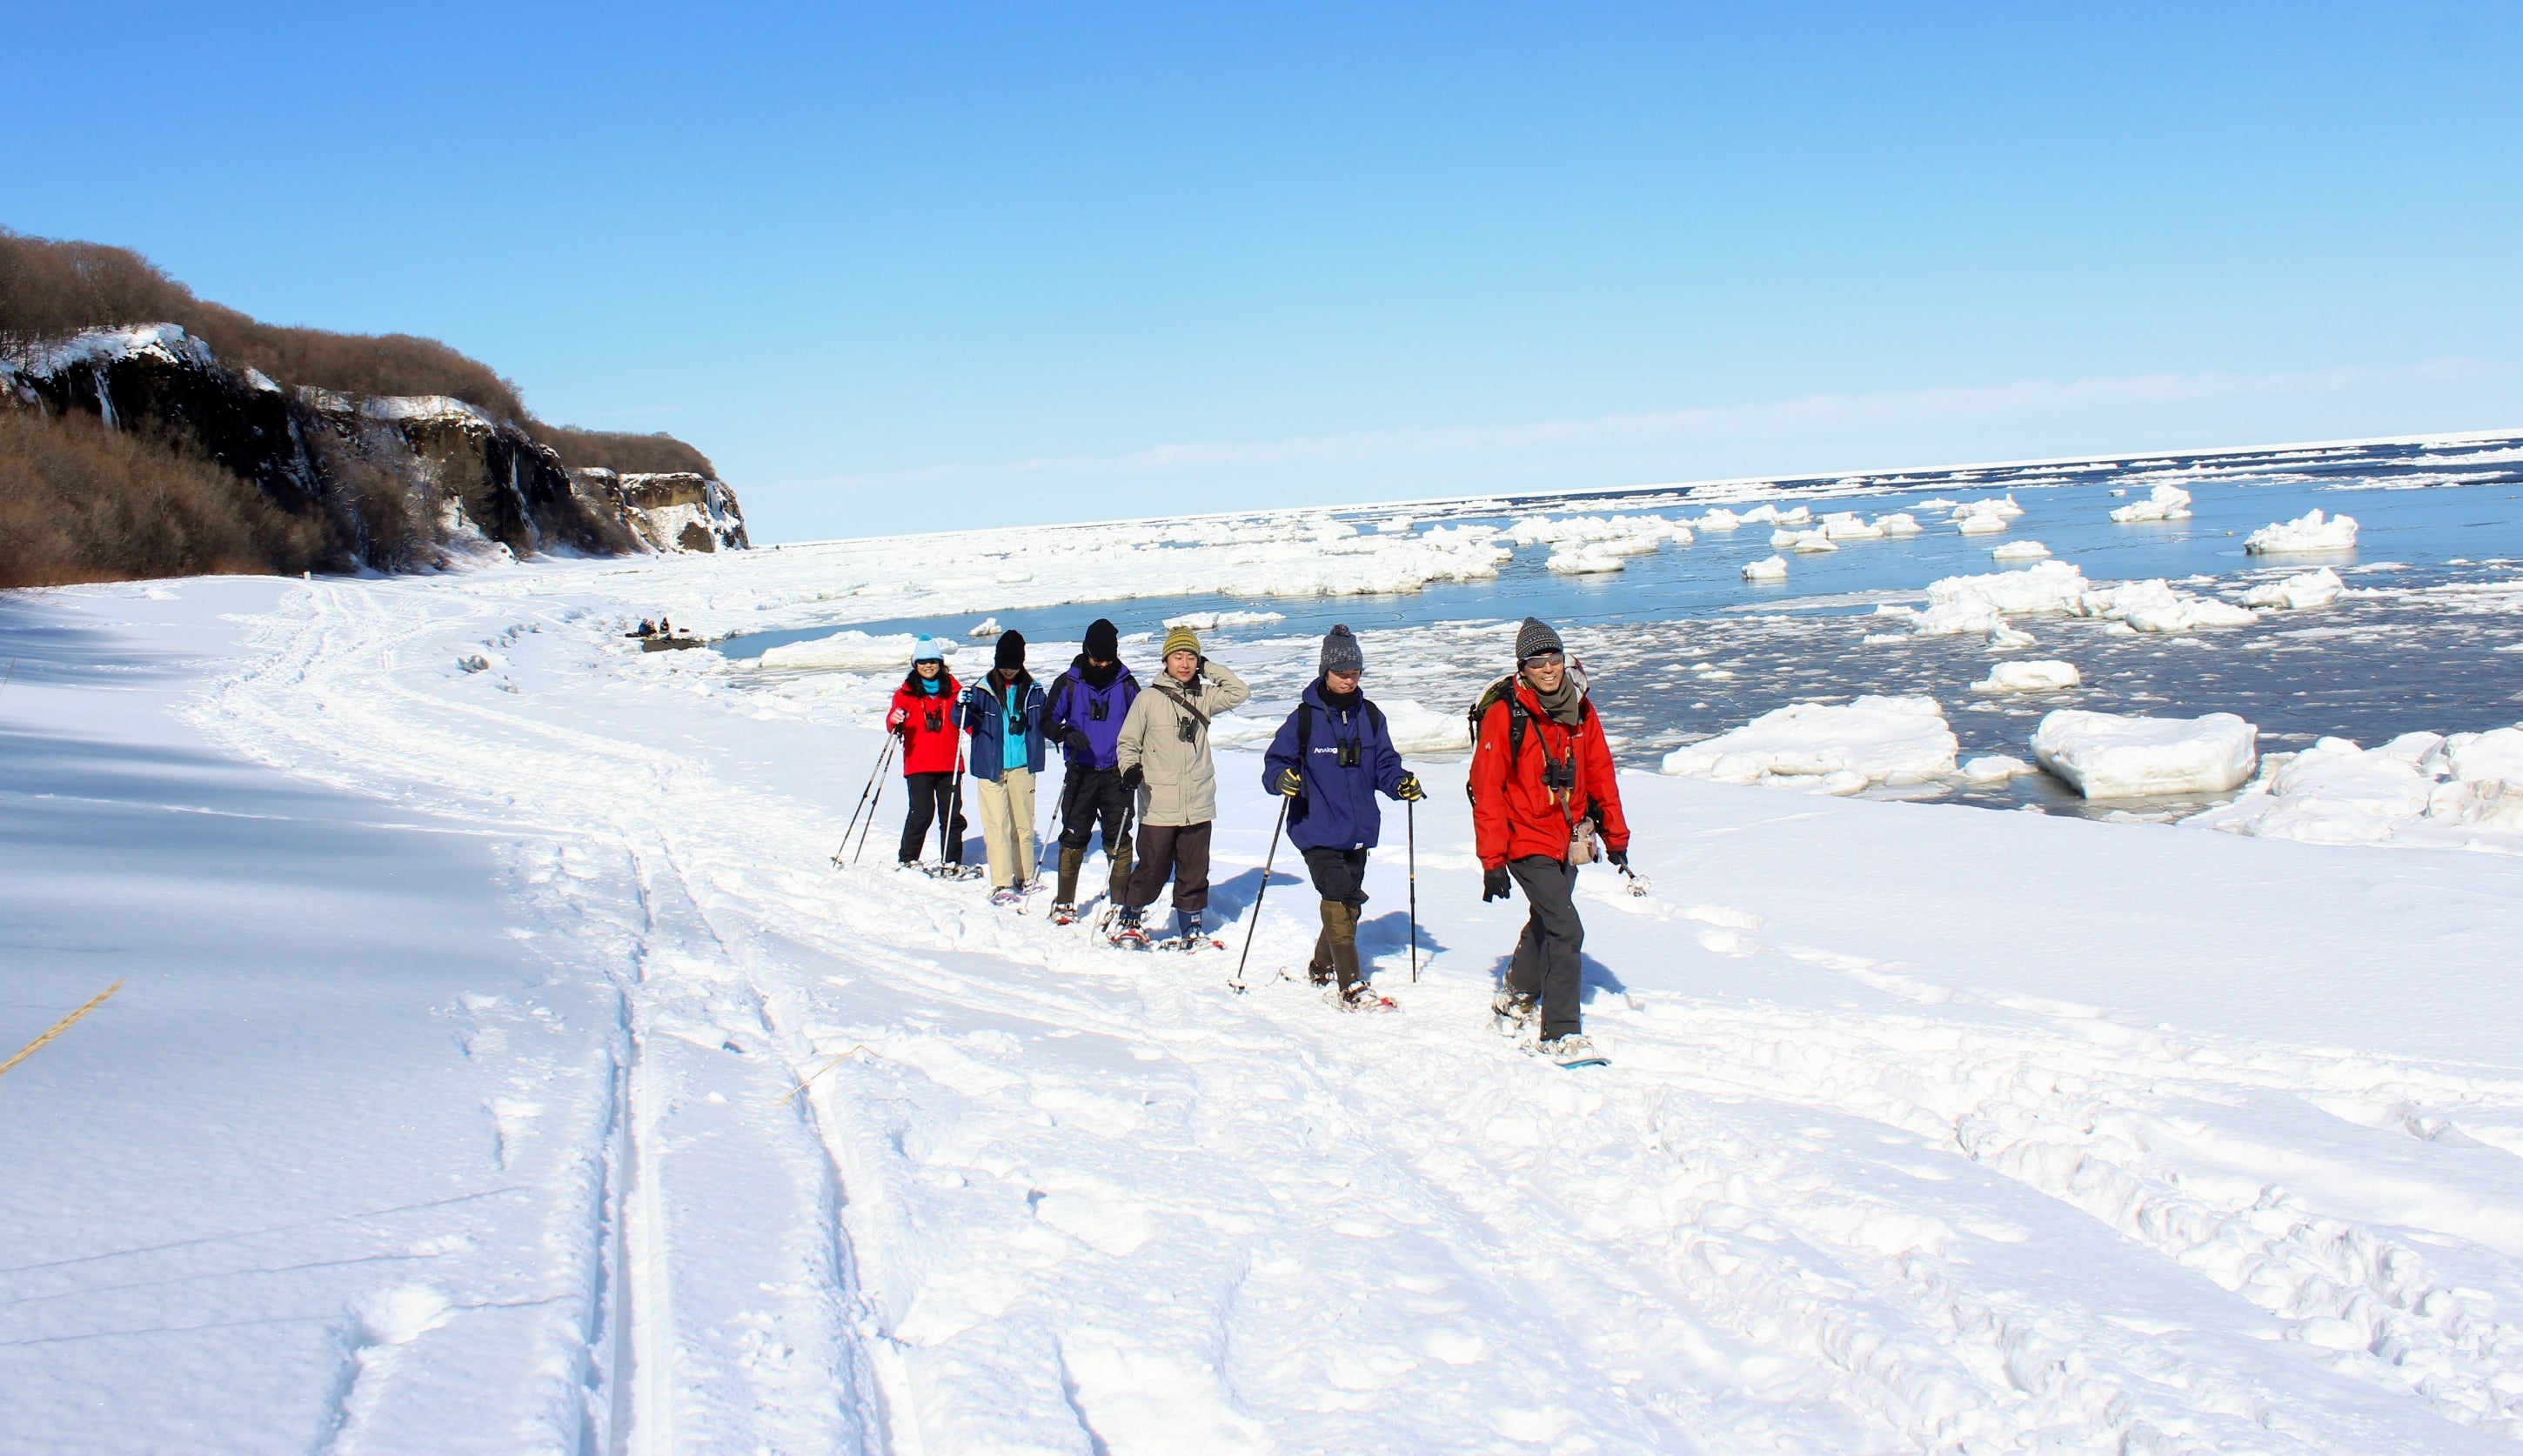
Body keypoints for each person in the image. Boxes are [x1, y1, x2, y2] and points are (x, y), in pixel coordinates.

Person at [1470, 617, 1631, 1064]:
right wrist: (1492, 860)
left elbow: (1600, 773)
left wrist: (1615, 835)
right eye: (1537, 661)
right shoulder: (1507, 714)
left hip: (1568, 835)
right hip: (1523, 837)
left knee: (1547, 921)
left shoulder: (1581, 708)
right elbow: (1486, 789)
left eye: (1554, 658)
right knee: (1566, 927)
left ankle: (1516, 994)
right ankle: (1560, 1033)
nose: (1548, 668)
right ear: (1522, 668)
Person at [1262, 625, 1425, 1005]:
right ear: (1325, 672)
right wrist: (1281, 779)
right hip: (1315, 825)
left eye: (1355, 673)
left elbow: (1385, 763)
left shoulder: (1370, 716)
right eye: (1342, 673)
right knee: (1338, 894)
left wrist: (1399, 783)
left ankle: (1322, 965)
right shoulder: (1303, 719)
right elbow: (1276, 763)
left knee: (1348, 900)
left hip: (1360, 827)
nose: (1349, 680)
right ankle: (1351, 985)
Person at [1112, 624, 1249, 945]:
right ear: (1166, 661)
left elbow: (1239, 692)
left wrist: (1208, 668)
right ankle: (1130, 916)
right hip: (1159, 803)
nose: (1184, 663)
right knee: (1153, 868)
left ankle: (1191, 927)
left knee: (1194, 869)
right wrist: (1129, 768)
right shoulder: (1147, 699)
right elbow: (1127, 742)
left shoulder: (1205, 696)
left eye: (1191, 657)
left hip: (1198, 801)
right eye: (1178, 656)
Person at [1043, 618, 1141, 923]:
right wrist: (1064, 734)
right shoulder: (1068, 683)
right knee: (1074, 836)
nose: (1101, 664)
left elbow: (1142, 726)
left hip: (1117, 773)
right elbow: (1046, 721)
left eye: (1107, 659)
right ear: (1085, 652)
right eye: (1096, 658)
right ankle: (1064, 902)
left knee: (1119, 838)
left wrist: (1137, 765)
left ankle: (1119, 901)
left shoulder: (1127, 685)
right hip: (1080, 773)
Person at [961, 630, 1047, 905]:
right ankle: (1002, 881)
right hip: (991, 768)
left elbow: (1047, 720)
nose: (1009, 671)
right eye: (1004, 666)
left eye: (1014, 666)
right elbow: (961, 720)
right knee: (997, 825)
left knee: (1023, 825)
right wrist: (960, 706)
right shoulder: (982, 690)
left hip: (1023, 766)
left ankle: (1025, 875)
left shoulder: (1033, 691)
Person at [886, 636, 966, 872]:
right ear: (915, 664)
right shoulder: (905, 694)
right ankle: (908, 857)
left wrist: (969, 709)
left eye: (933, 661)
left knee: (951, 815)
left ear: (941, 663)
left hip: (949, 763)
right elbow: (893, 721)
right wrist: (894, 719)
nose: (928, 666)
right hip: (918, 763)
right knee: (922, 812)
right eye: (923, 662)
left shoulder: (954, 691)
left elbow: (967, 722)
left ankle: (951, 861)